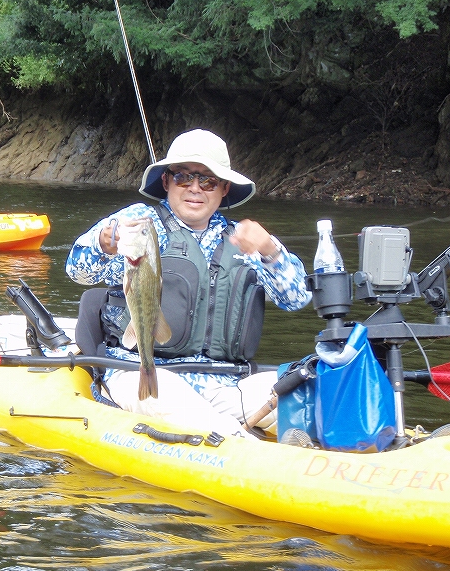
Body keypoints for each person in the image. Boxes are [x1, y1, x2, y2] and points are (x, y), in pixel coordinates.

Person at [66, 129, 312, 439]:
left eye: (207, 181)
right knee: (170, 398)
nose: (195, 188)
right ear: (167, 181)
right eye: (183, 177)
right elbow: (78, 271)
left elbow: (298, 298)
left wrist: (270, 251)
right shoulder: (139, 223)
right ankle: (242, 445)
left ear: (224, 189)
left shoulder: (245, 238)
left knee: (307, 398)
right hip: (144, 375)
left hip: (225, 383)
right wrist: (103, 243)